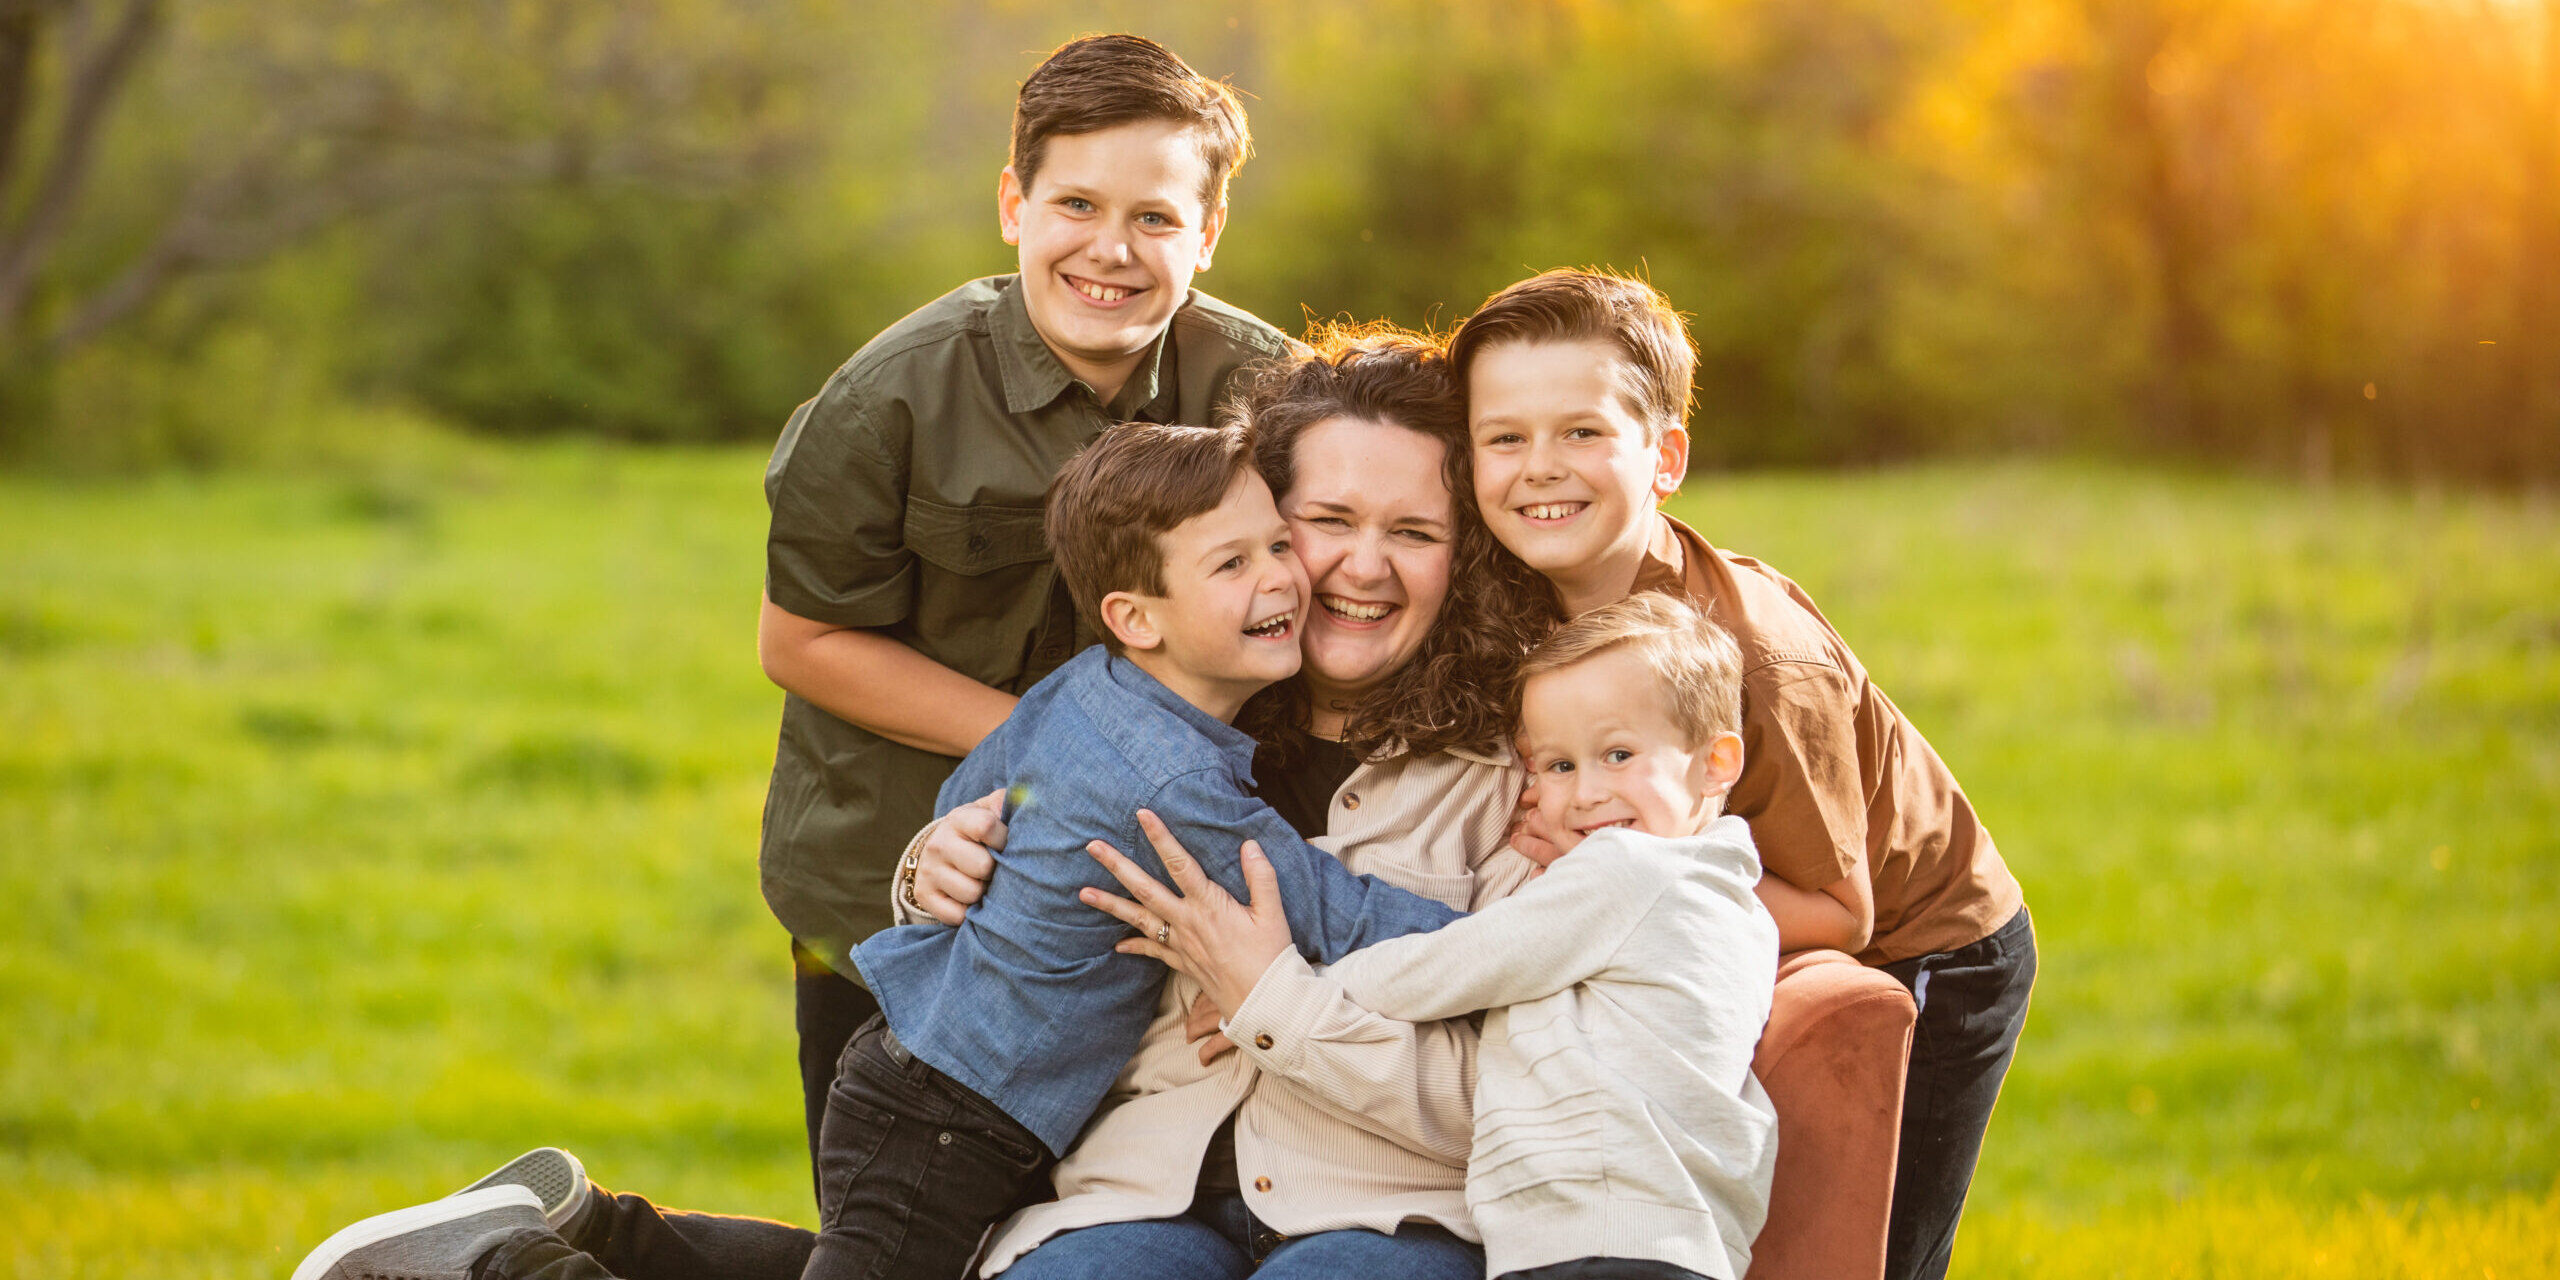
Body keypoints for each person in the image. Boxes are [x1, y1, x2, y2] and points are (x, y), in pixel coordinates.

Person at [287, 331, 1552, 1280]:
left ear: (1472, 545)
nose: (1333, 566)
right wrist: (939, 858)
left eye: (1412, 529)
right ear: (1153, 602)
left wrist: (1281, 995)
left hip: (1353, 1189)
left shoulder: (1526, 760)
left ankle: (590, 1235)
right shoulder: (1196, 739)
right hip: (1086, 1163)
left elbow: (1494, 1045)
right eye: (1306, 524)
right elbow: (1291, 887)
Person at [753, 31, 1287, 1199]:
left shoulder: (1271, 399)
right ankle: (578, 1245)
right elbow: (801, 640)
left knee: (1102, 1235)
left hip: (1158, 903)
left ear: (1206, 233)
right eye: (1076, 204)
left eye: (1154, 217)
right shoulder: (888, 396)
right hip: (894, 891)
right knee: (895, 1230)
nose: (1112, 248)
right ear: (1013, 204)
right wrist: (1069, 747)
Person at [1449, 268, 2037, 1280]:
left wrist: (1614, 864)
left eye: (1583, 432)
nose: (1539, 468)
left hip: (1926, 946)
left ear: (1664, 455)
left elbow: (1840, 908)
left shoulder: (1754, 656)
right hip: (1705, 905)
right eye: (1505, 437)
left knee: (1871, 1251)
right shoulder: (1516, 593)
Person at [808, 420, 1467, 1280]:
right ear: (1135, 618)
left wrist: (954, 839)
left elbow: (969, 792)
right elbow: (1328, 912)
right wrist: (1501, 938)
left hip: (919, 1067)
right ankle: (607, 1247)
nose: (1280, 577)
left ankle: (611, 1234)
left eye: (1276, 544)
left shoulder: (1078, 687)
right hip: (953, 1112)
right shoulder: (1174, 784)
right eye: (1232, 565)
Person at [1312, 595, 1780, 1280]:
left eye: (1618, 754)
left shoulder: (1625, 874)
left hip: (1596, 1239)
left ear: (1715, 762)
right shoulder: (1731, 899)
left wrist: (1289, 985)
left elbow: (1449, 967)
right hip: (1670, 1241)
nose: (1585, 793)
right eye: (1558, 766)